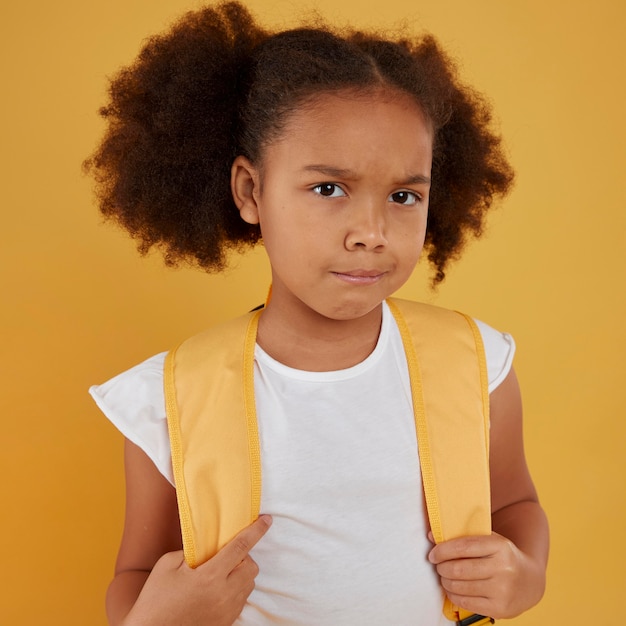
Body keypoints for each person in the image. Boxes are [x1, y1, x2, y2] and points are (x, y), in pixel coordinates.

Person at [85, 2, 549, 624]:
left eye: (404, 195)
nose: (371, 232)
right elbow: (135, 574)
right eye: (329, 189)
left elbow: (515, 502)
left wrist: (527, 574)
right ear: (251, 191)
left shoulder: (475, 362)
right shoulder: (166, 398)